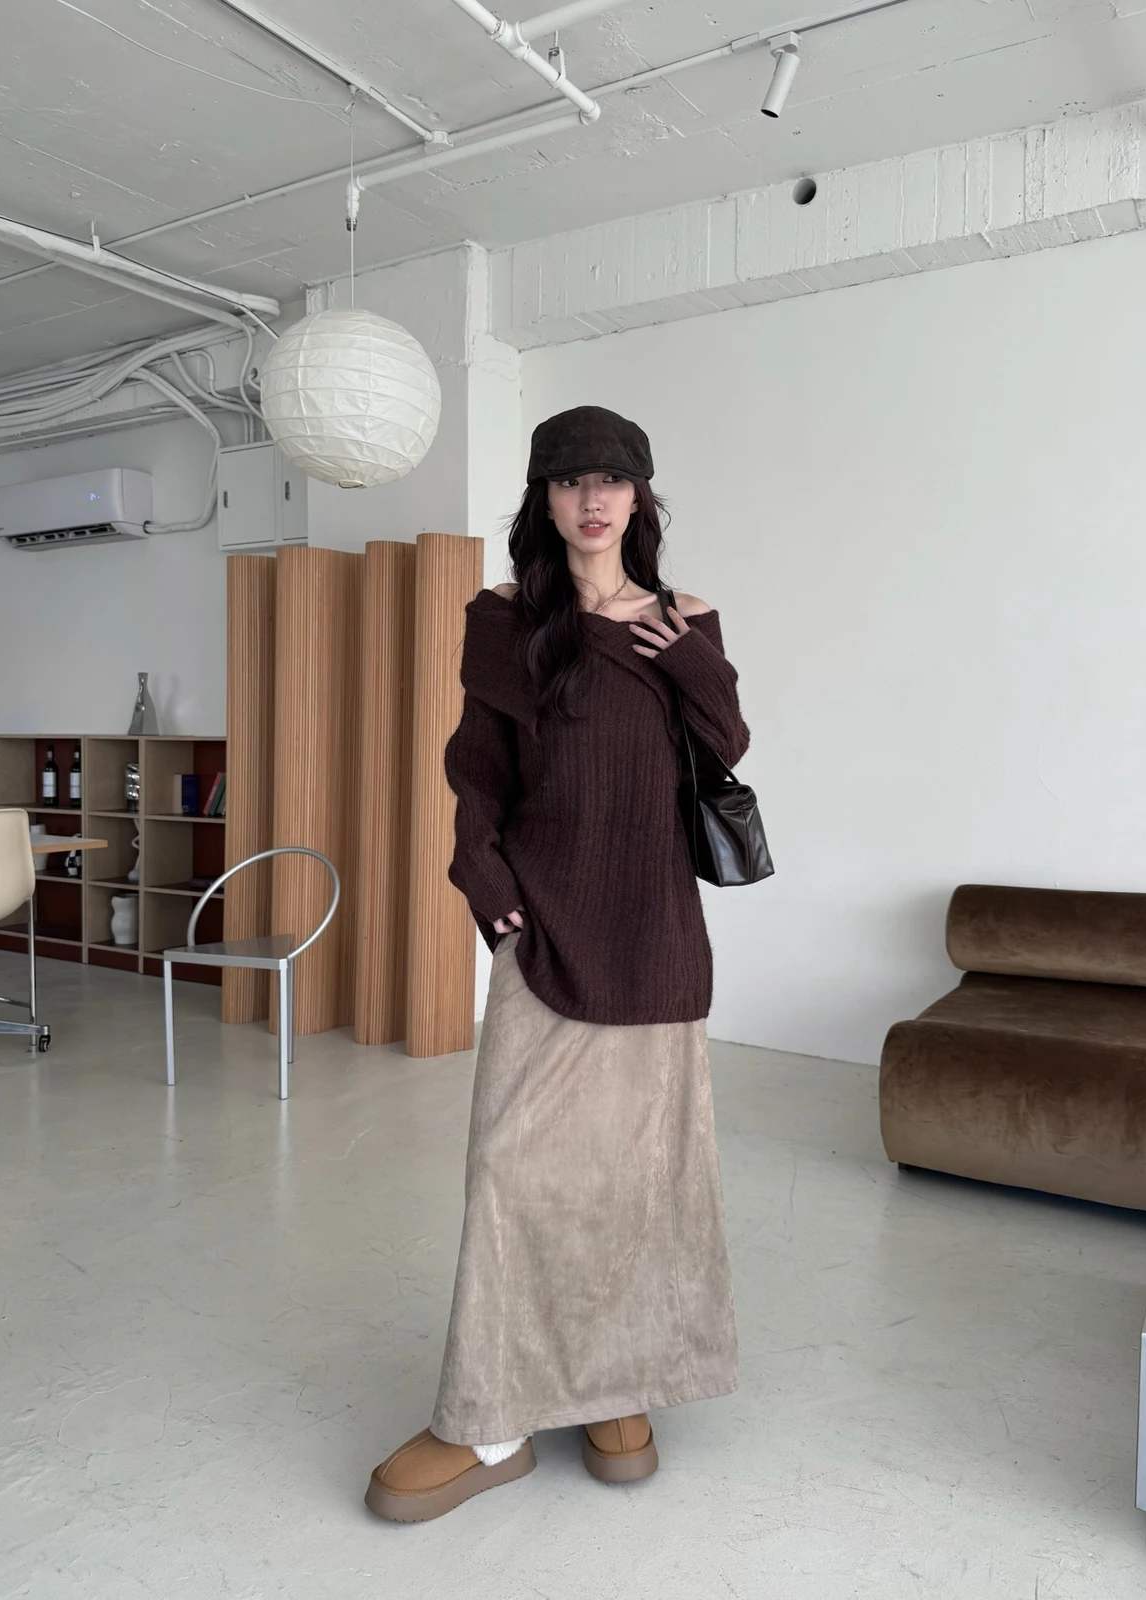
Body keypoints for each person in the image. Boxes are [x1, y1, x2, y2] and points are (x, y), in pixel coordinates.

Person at [365, 404, 751, 1523]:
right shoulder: (505, 618)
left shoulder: (685, 617)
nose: (593, 499)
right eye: (572, 480)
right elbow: (478, 768)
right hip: (545, 925)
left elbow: (727, 745)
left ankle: (615, 1386)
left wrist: (689, 657)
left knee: (640, 1176)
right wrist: (482, 876)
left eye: (612, 480)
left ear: (639, 497)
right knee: (512, 1168)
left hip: (656, 930)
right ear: (544, 498)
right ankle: (489, 1423)